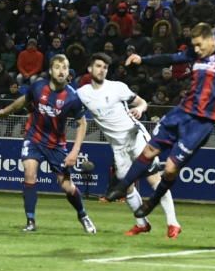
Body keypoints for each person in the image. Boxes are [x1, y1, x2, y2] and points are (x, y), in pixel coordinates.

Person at [103, 23, 215, 217]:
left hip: (202, 123)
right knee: (149, 150)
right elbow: (171, 58)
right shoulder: (194, 55)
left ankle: (152, 202)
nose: (196, 49)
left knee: (171, 169)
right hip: (181, 113)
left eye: (199, 45)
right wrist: (143, 59)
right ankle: (123, 186)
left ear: (210, 39)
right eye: (194, 45)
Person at [77, 53, 182, 238]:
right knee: (126, 187)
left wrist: (140, 109)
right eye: (98, 66)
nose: (102, 70)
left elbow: (142, 102)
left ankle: (173, 223)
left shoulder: (117, 88)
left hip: (135, 138)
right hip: (118, 147)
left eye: (105, 67)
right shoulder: (82, 93)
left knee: (154, 180)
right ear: (89, 69)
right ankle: (142, 224)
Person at [0, 54, 96, 234]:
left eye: (64, 68)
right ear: (51, 70)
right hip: (33, 137)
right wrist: (7, 111)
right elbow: (24, 100)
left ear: (68, 72)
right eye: (57, 67)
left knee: (66, 186)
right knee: (30, 173)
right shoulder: (38, 86)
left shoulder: (72, 97)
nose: (61, 71)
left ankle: (83, 215)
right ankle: (31, 221)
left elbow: (83, 124)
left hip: (56, 145)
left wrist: (75, 152)